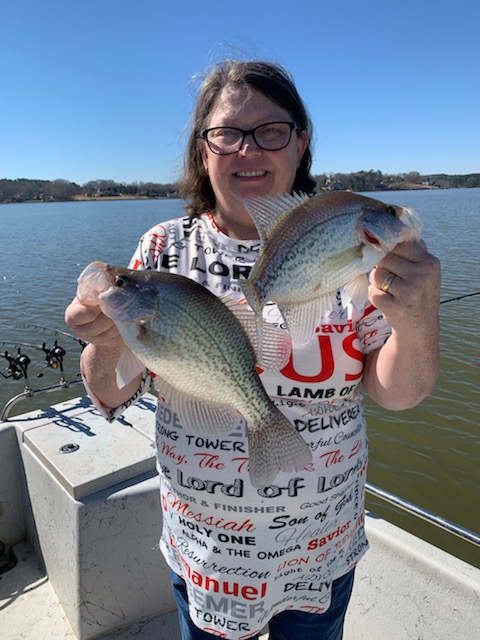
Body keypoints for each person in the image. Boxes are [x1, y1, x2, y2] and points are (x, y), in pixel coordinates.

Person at [65, 60, 441, 640]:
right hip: (208, 555)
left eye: (271, 130)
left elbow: (401, 393)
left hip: (322, 547)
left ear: (301, 141)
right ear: (202, 148)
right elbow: (110, 389)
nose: (248, 149)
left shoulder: (358, 249)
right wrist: (103, 338)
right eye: (226, 133)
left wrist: (417, 319)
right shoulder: (162, 248)